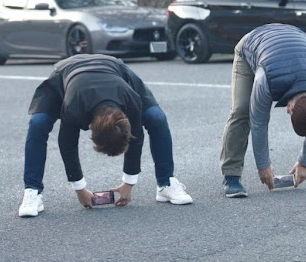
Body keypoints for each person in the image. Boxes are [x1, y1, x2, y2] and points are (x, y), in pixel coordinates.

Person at [18, 53, 193, 217]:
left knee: (157, 118)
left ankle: (165, 184)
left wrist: (129, 183)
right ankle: (32, 191)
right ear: (90, 126)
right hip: (67, 74)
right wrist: (80, 188)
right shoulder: (74, 106)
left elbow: (136, 137)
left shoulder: (130, 98)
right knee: (38, 123)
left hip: (115, 69)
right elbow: (67, 143)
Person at [219, 23, 306, 197]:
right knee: (241, 110)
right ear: (291, 107)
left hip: (297, 42)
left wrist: (305, 163)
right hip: (252, 43)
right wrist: (263, 166)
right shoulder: (266, 80)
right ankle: (231, 175)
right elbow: (259, 122)